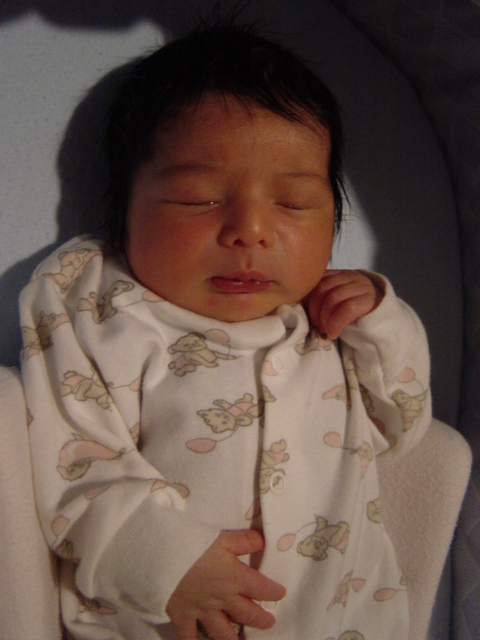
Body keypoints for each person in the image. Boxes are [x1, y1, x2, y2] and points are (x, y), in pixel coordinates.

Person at [19, 21, 431, 640]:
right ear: (123, 210)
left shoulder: (330, 327)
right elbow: (67, 447)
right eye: (197, 199)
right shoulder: (102, 307)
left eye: (293, 204)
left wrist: (384, 320)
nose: (250, 232)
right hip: (159, 619)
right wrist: (160, 555)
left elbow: (403, 426)